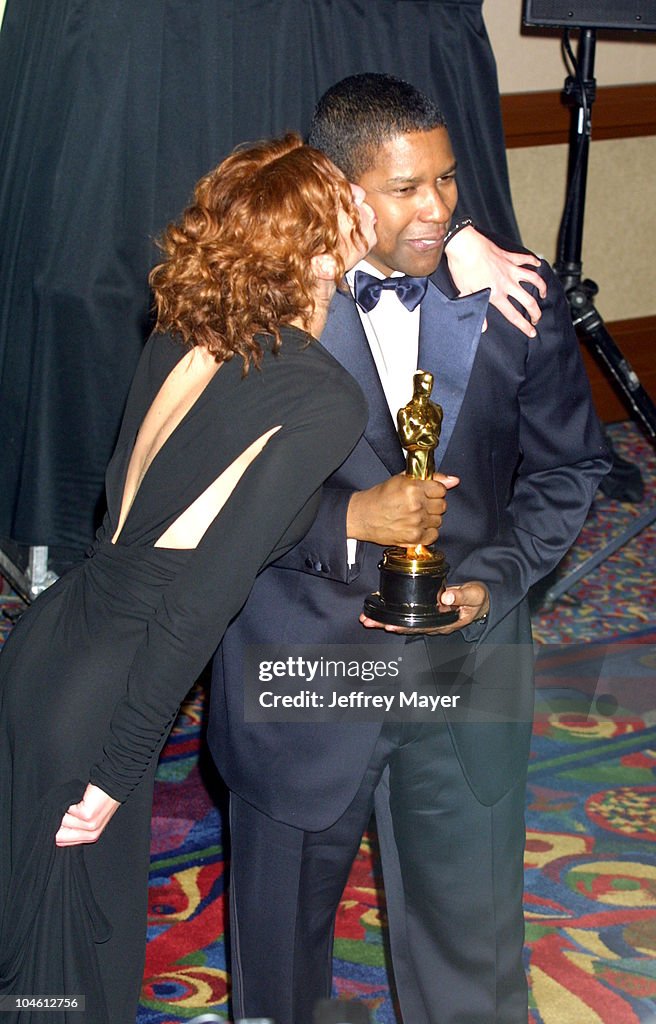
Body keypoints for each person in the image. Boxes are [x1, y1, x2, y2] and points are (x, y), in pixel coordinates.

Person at [208, 75, 611, 1024]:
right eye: (405, 189)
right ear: (339, 190)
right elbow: (202, 500)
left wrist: (494, 582)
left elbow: (570, 472)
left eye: (447, 181)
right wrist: (347, 527)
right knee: (279, 979)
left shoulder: (513, 298)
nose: (437, 209)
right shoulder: (259, 308)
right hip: (304, 665)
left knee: (475, 968)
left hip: (466, 664)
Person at [0, 133, 377, 1024]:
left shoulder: (183, 333)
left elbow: (126, 524)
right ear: (319, 250)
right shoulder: (324, 398)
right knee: (63, 987)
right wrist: (119, 771)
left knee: (30, 956)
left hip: (45, 648)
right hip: (102, 700)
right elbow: (201, 600)